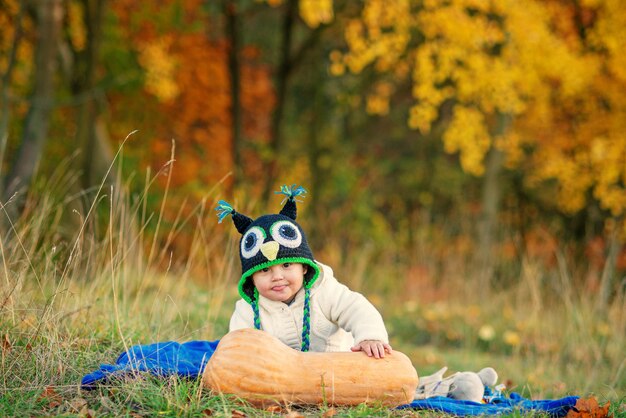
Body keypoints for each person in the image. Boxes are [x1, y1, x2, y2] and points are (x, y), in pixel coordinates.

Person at [216, 185, 392, 359]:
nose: (277, 277)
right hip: (279, 379)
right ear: (251, 279)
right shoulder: (247, 310)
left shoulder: (324, 291)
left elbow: (356, 309)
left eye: (286, 266)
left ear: (304, 267)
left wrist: (370, 337)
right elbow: (238, 345)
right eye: (264, 269)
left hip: (338, 373)